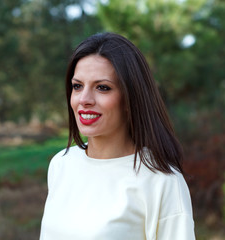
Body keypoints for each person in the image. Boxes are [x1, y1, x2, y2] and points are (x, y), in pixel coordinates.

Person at [39, 32, 195, 240]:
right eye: (77, 86)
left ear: (131, 97)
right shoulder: (62, 164)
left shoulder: (162, 181)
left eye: (102, 88)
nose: (84, 99)